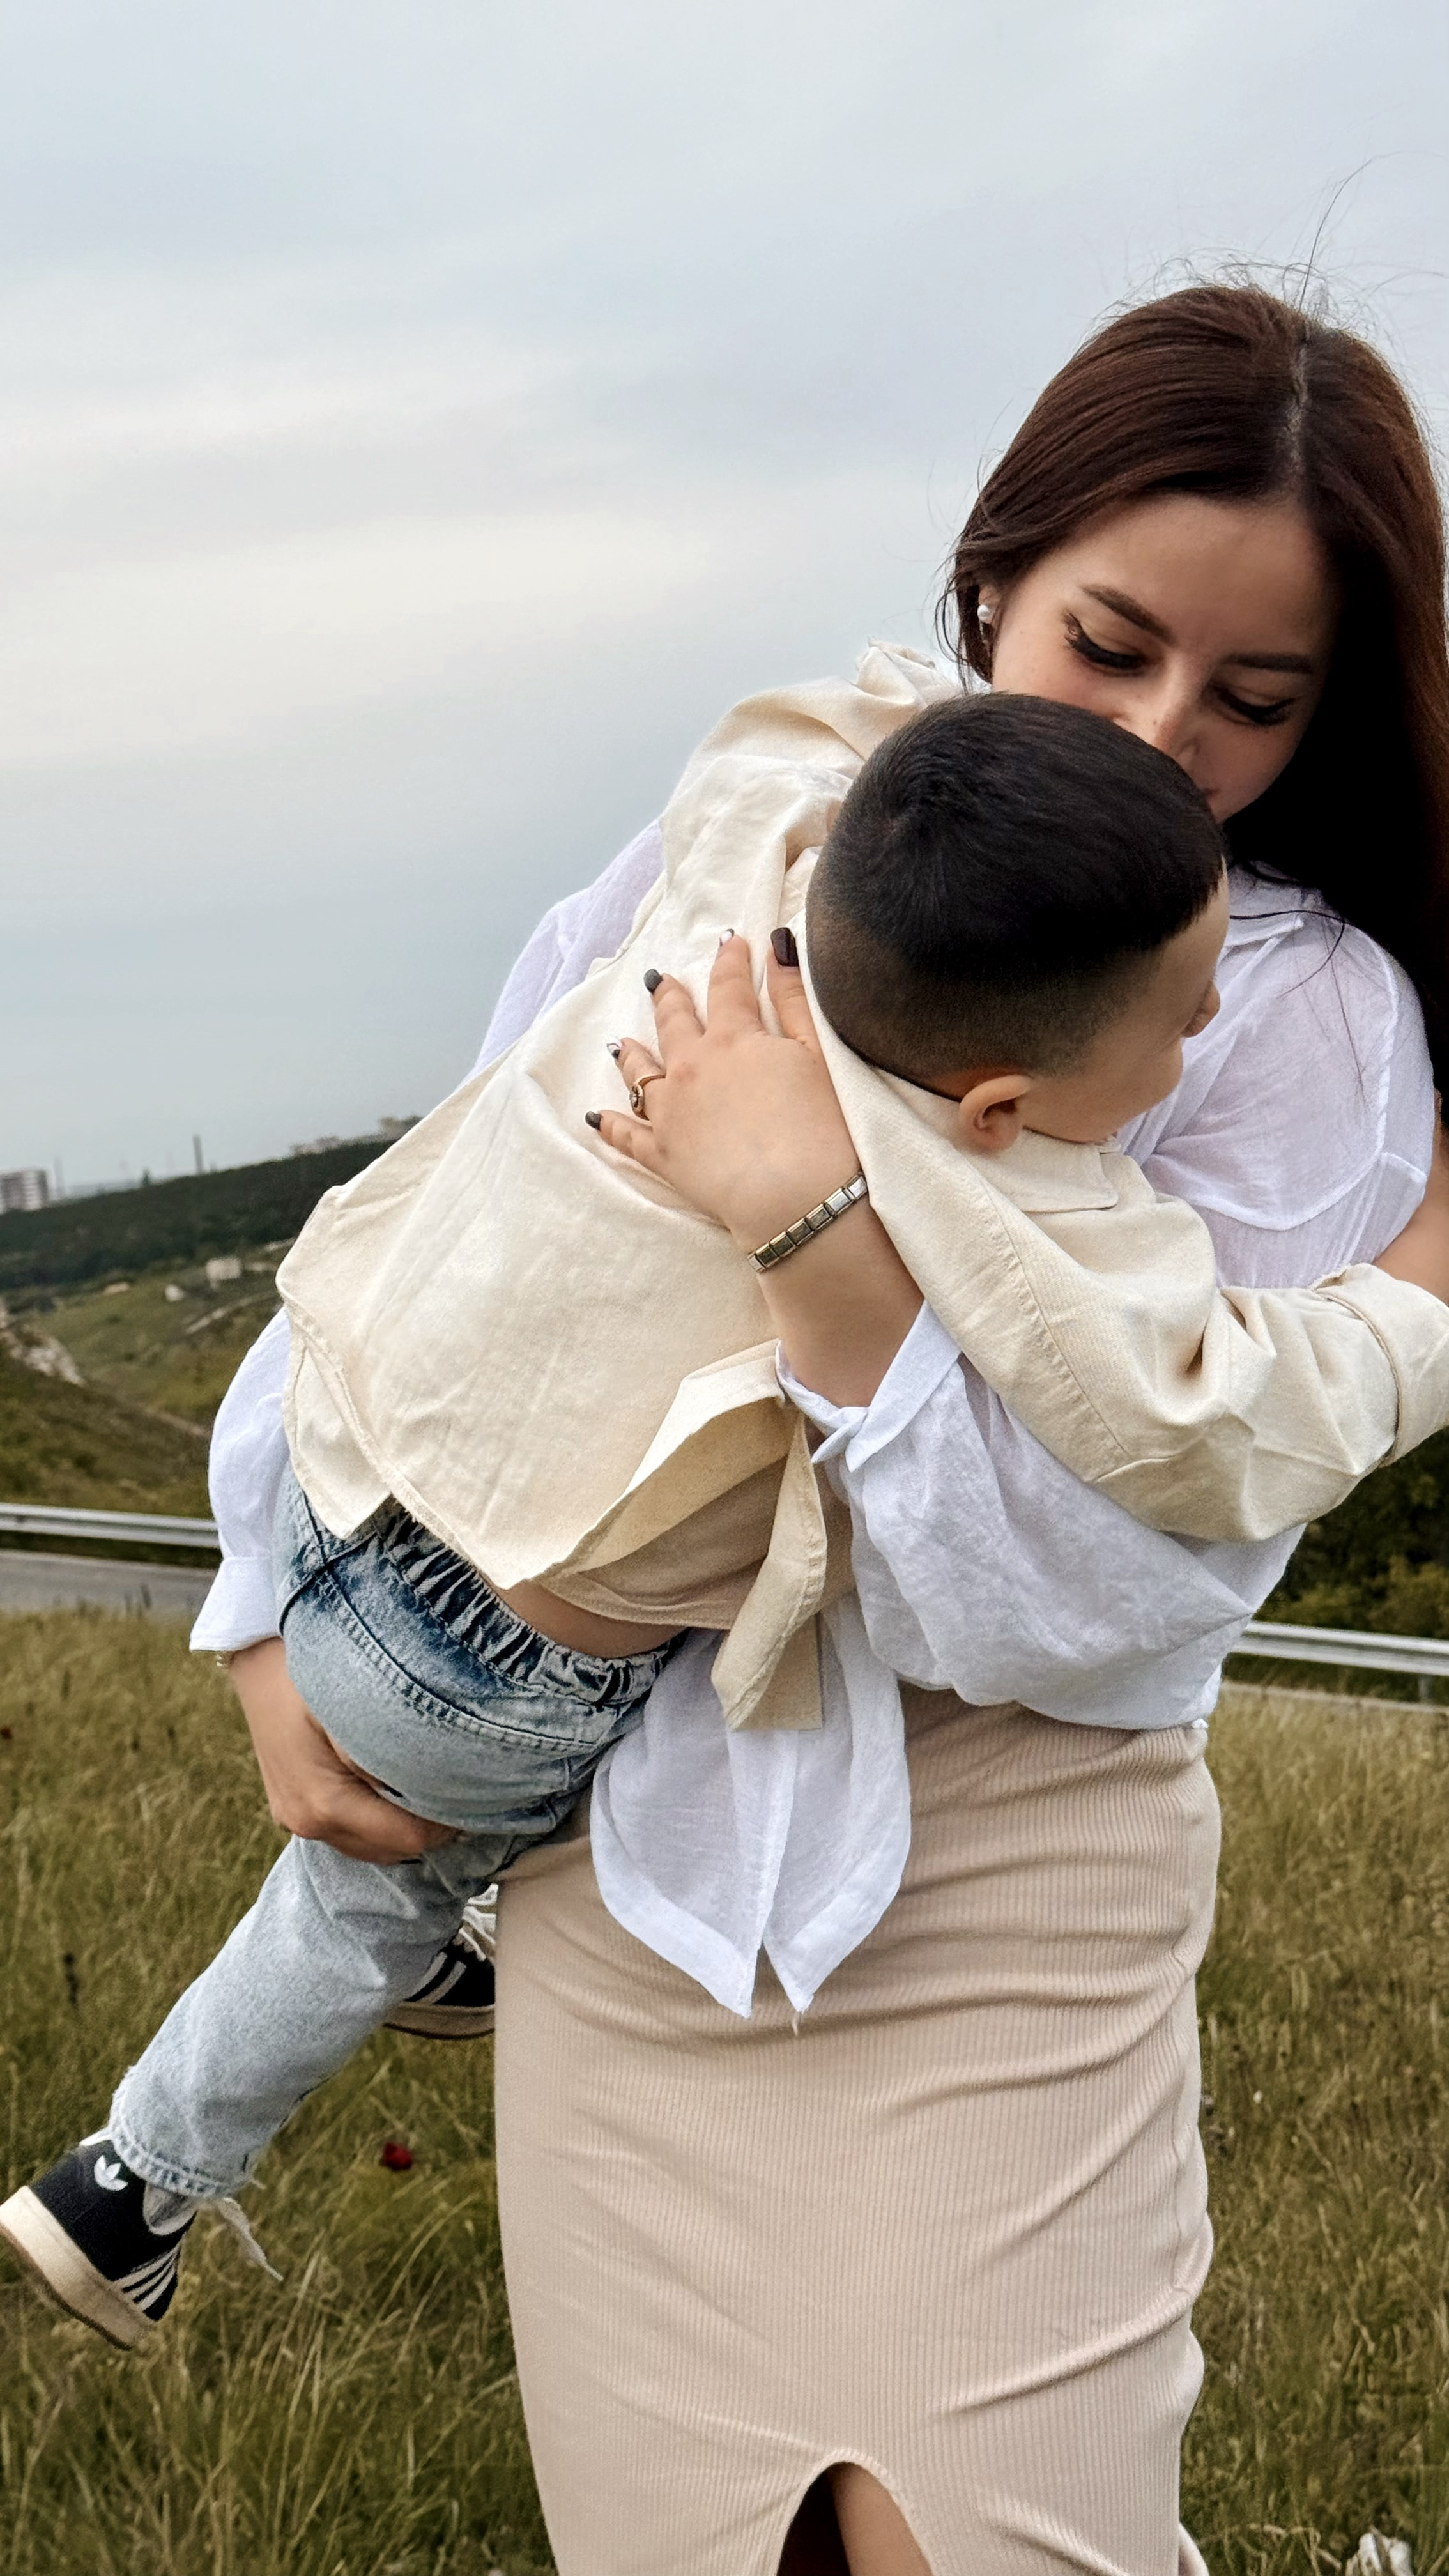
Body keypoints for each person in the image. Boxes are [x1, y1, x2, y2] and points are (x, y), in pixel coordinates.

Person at [24, 282, 1449, 2572]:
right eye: (1108, 646)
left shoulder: (1281, 1009)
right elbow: (477, 1207)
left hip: (1002, 1894)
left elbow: (1109, 1601)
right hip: (631, 1877)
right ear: (994, 575)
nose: (1169, 737)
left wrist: (815, 1238)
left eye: (1251, 699)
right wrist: (268, 1610)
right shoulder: (783, 814)